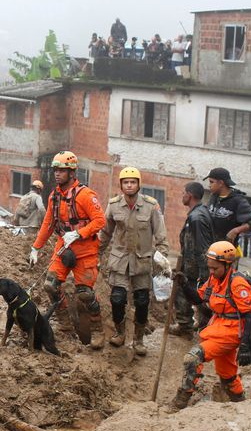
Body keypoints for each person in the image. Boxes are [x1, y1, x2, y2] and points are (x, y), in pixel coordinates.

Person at [29, 151, 108, 348]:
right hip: (63, 248)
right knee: (50, 285)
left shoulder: (86, 195)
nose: (57, 174)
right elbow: (48, 222)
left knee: (85, 293)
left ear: (72, 172)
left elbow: (100, 221)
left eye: (62, 170)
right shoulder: (54, 196)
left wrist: (80, 233)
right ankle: (65, 325)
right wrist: (35, 247)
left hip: (85, 250)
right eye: (56, 170)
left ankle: (97, 329)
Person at [171, 241, 251, 408]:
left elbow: (250, 316)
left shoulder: (238, 284)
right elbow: (198, 299)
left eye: (215, 268)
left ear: (227, 264)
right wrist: (184, 284)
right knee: (227, 375)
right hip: (218, 326)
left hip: (232, 331)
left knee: (193, 358)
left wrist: (245, 346)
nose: (211, 271)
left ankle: (179, 403)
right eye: (210, 267)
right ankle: (241, 404)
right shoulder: (213, 279)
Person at [100, 167, 169, 355]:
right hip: (120, 260)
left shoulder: (151, 205)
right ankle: (120, 333)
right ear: (121, 185)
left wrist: (162, 258)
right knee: (117, 299)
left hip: (142, 261)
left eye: (133, 182)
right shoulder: (114, 205)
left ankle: (138, 339)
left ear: (138, 185)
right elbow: (105, 233)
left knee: (142, 301)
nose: (129, 185)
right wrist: (96, 253)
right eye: (126, 182)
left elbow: (160, 234)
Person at [173, 181, 213, 337]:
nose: (182, 195)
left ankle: (187, 326)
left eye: (183, 192)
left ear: (189, 195)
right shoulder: (198, 214)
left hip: (195, 269)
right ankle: (200, 325)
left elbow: (202, 247)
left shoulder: (197, 218)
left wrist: (204, 274)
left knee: (190, 295)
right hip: (191, 266)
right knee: (194, 296)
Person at [204, 167, 251, 244]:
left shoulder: (237, 200)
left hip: (226, 250)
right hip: (209, 247)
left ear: (221, 183)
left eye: (211, 182)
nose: (209, 185)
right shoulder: (213, 197)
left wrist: (236, 231)